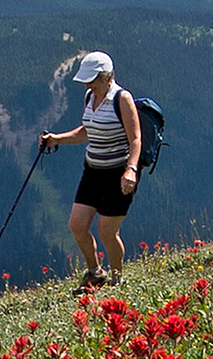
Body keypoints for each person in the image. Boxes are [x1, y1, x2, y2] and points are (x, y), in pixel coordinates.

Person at [39, 50, 141, 289]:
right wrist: (56, 139)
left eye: (92, 80)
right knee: (77, 225)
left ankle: (117, 279)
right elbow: (87, 131)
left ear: (107, 77)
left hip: (118, 173)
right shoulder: (90, 97)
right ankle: (95, 273)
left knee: (107, 232)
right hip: (92, 171)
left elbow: (136, 138)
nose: (87, 85)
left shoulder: (122, 99)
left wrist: (131, 170)